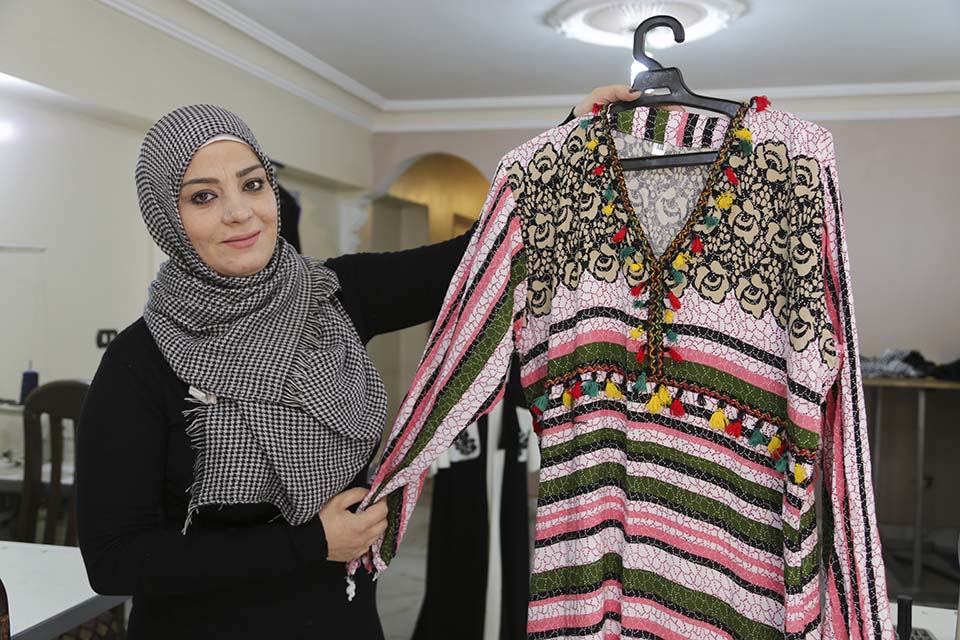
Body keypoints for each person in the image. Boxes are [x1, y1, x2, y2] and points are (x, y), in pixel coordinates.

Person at [76, 86, 641, 639]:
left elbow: (483, 252)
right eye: (203, 196)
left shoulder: (333, 295)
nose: (238, 212)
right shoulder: (140, 361)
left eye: (252, 184)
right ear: (164, 218)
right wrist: (313, 543)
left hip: (342, 618)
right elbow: (115, 559)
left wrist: (572, 138)